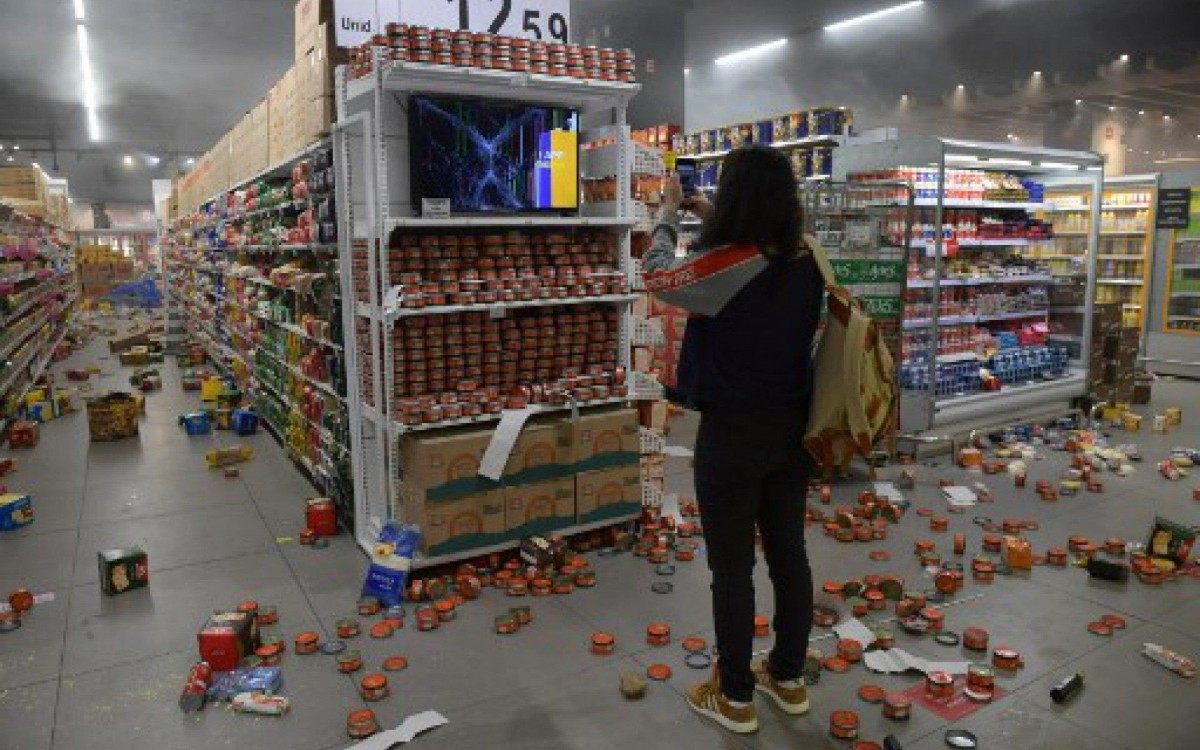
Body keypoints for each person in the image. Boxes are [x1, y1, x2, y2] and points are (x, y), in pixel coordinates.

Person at [643, 145, 824, 734]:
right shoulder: (808, 259)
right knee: (789, 554)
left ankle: (737, 695)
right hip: (794, 429)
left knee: (733, 569)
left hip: (732, 435)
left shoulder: (729, 264)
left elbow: (659, 276)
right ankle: (790, 678)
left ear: (738, 199)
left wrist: (670, 214)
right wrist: (709, 213)